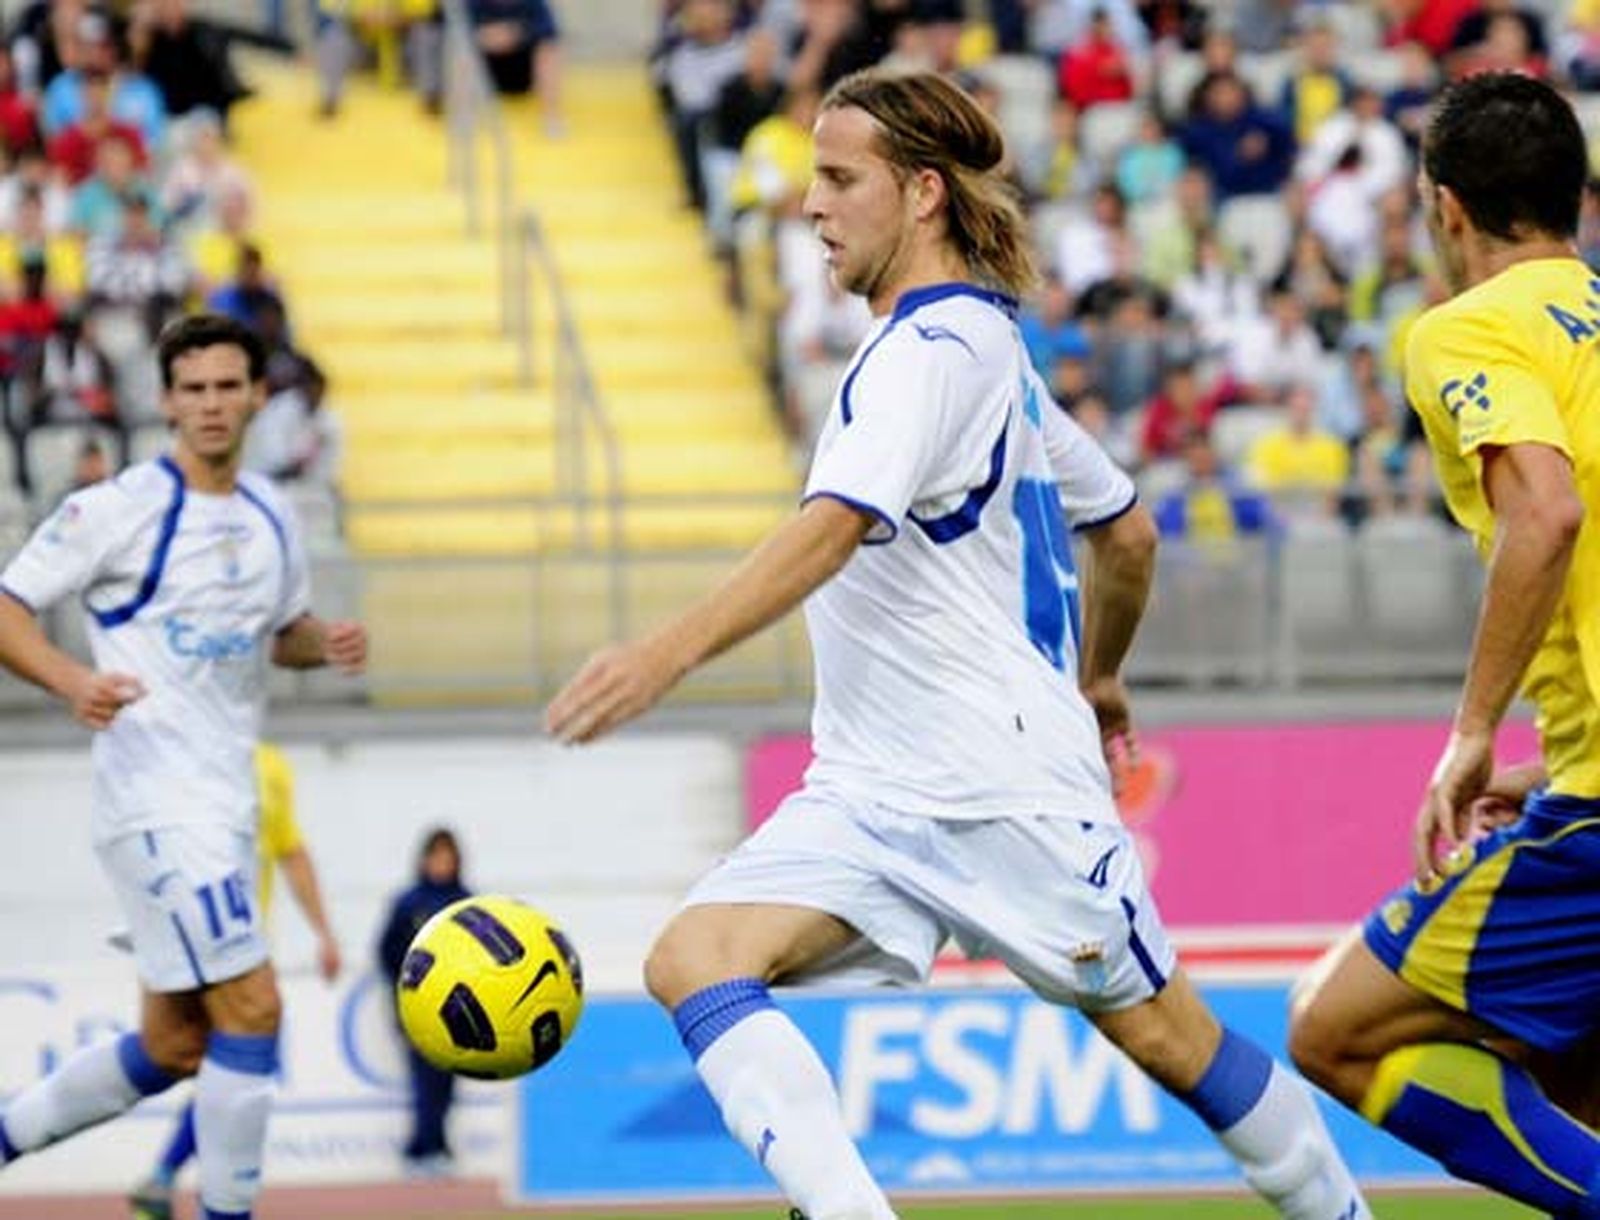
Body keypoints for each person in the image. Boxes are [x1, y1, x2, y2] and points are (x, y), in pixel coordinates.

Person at [545, 69, 1370, 1220]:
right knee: (695, 956)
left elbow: (833, 527)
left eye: (840, 179)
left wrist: (661, 655)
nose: (812, 205)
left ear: (921, 192)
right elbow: (1123, 532)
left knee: (1172, 1038)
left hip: (997, 785)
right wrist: (1102, 673)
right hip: (876, 784)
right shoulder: (989, 360)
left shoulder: (931, 353)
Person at [1287, 73, 1600, 1216]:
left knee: (1336, 1028)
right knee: (1567, 1069)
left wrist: (1469, 734)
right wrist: (1546, 764)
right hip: (1582, 778)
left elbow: (1546, 514)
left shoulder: (1467, 327)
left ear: (1445, 207)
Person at [0, 313, 368, 1220]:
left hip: (225, 805)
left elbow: (277, 638)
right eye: (192, 389)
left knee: (172, 1045)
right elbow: (8, 606)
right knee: (255, 1010)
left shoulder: (274, 516)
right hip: (155, 804)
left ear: (254, 396)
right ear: (166, 402)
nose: (209, 404)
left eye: (225, 387)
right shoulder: (115, 510)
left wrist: (326, 644)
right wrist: (71, 679)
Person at [129, 742, 344, 1220]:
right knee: (196, 1060)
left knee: (219, 1070)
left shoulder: (270, 766)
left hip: (246, 952)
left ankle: (164, 1179)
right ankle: (171, 1181)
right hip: (189, 946)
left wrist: (325, 932)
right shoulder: (172, 748)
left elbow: (291, 851)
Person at [376, 828, 471, 1174]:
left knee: (447, 1082)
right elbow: (385, 952)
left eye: (448, 858)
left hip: (460, 1011)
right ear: (424, 859)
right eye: (436, 857)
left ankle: (432, 1146)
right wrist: (405, 992)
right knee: (424, 1078)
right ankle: (424, 1148)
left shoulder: (467, 903)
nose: (442, 864)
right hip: (417, 1009)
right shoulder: (408, 903)